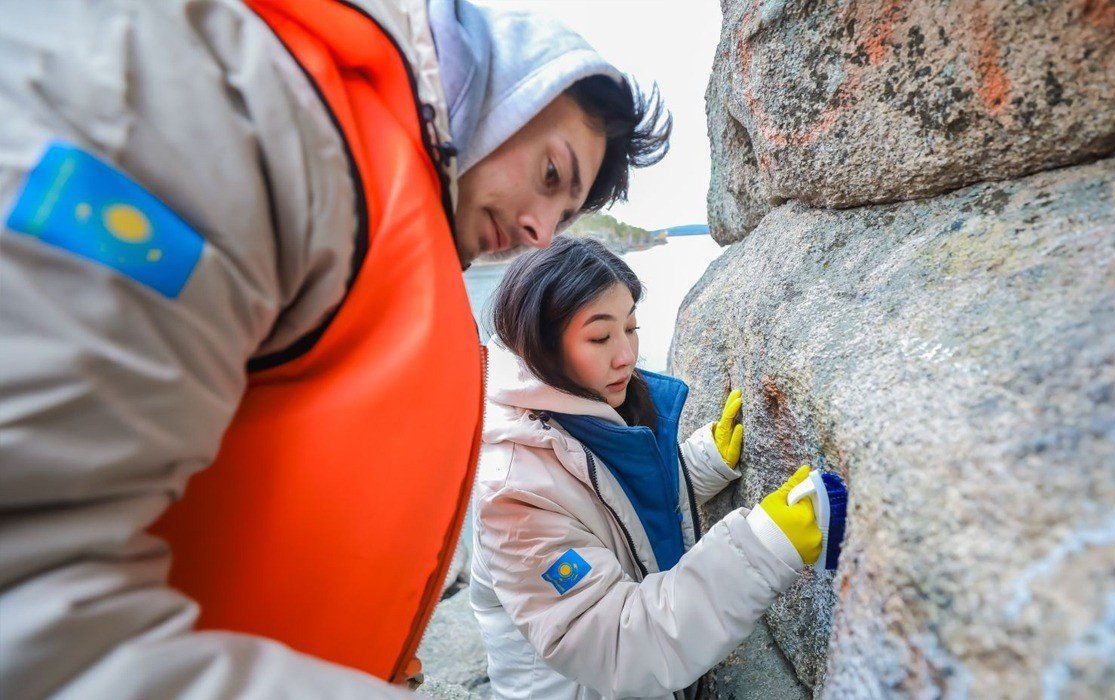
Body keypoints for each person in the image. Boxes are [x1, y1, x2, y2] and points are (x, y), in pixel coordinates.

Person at [0, 0, 669, 697]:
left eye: (562, 218)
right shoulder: (244, 112)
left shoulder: (362, 204)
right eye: (550, 175)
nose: (539, 232)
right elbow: (31, 609)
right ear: (493, 94)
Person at [471, 236, 848, 699]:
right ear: (541, 344)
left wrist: (699, 464)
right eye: (599, 336)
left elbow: (609, 508)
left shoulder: (585, 411)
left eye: (631, 327)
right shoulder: (511, 493)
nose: (626, 354)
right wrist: (767, 545)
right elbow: (617, 644)